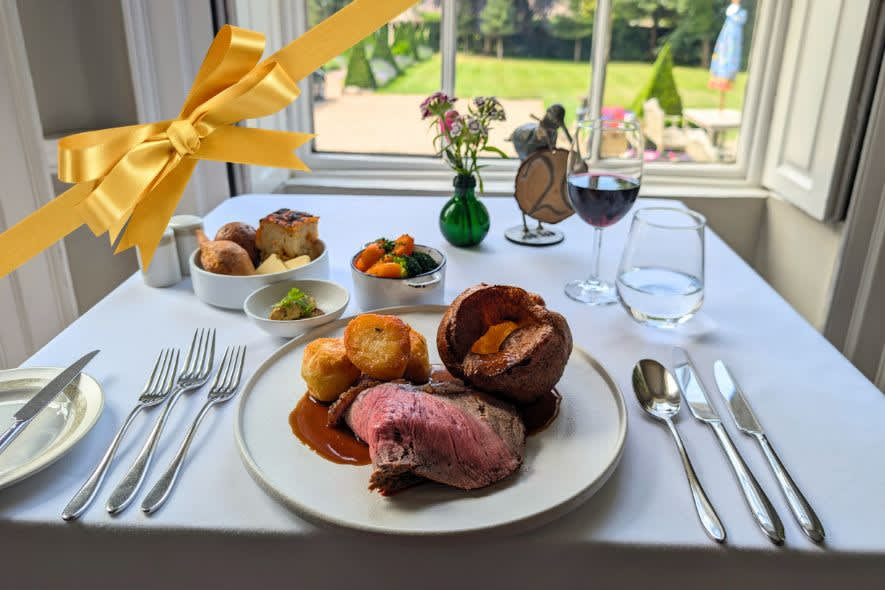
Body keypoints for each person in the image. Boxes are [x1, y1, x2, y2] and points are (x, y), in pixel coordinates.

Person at [708, 0, 747, 110]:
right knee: (722, 56)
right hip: (726, 42)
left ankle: (726, 76)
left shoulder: (740, 14)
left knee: (729, 56)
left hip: (732, 41)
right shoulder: (729, 16)